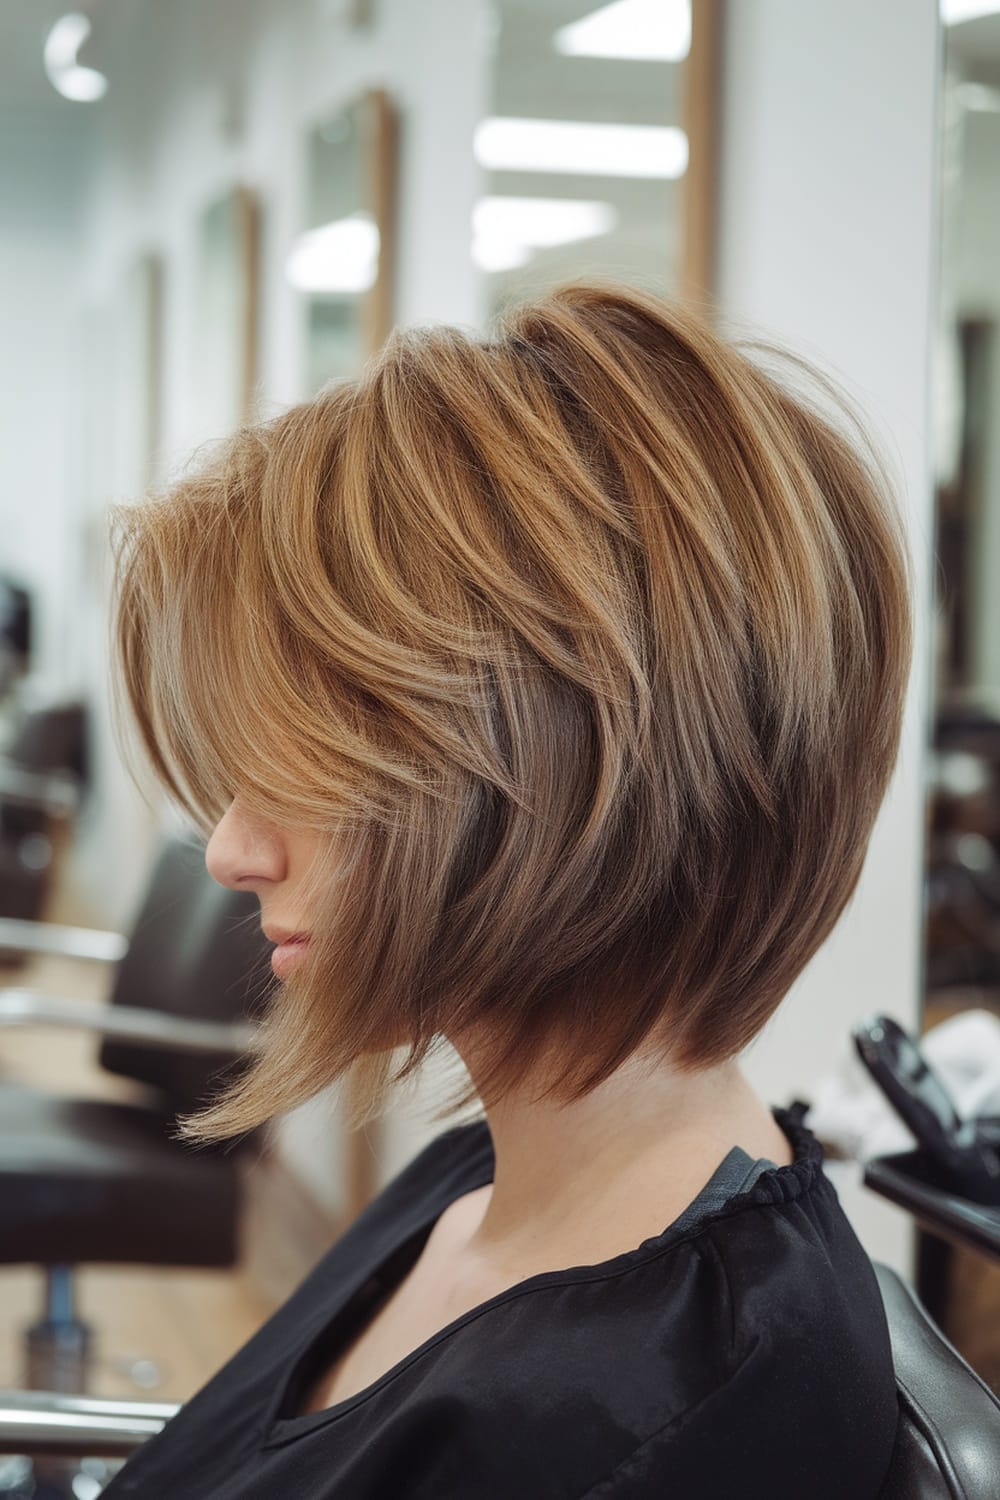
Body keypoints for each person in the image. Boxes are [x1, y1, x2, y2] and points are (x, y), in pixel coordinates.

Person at [101, 281, 912, 1498]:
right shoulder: (479, 1176)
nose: (232, 852)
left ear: (564, 768)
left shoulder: (665, 1421)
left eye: (307, 769)